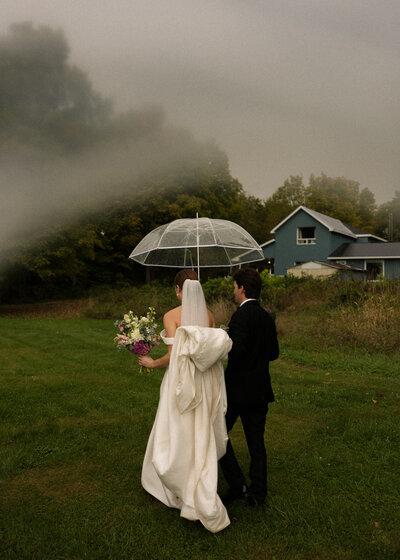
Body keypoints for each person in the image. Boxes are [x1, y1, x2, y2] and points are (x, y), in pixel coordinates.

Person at [138, 269, 232, 533]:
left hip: (180, 382)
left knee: (177, 429)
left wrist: (151, 362)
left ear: (178, 290)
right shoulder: (210, 316)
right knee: (198, 428)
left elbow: (172, 356)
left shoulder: (171, 316)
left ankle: (178, 485)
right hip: (204, 383)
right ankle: (198, 479)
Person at [219, 268, 279, 507]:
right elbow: (274, 352)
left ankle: (237, 485)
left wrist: (223, 342)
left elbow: (237, 350)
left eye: (234, 286)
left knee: (217, 435)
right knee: (256, 442)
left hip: (237, 391)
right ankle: (258, 493)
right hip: (260, 389)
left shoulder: (240, 316)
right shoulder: (266, 316)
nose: (233, 291)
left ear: (242, 288)